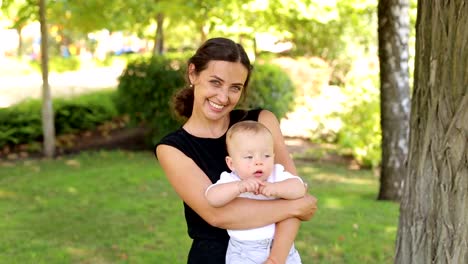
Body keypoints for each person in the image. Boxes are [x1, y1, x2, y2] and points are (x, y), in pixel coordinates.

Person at [155, 37, 317, 264]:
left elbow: (295, 191)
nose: (223, 97)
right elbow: (217, 215)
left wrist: (277, 259)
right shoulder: (172, 148)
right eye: (215, 82)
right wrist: (295, 206)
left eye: (235, 88)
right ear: (193, 73)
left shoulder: (262, 122)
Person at [205, 120, 306, 263]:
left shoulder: (276, 175)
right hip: (244, 251)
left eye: (266, 156)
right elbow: (212, 197)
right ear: (231, 163)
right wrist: (238, 187)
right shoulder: (230, 180)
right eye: (249, 157)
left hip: (280, 247)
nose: (259, 162)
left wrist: (277, 188)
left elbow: (300, 188)